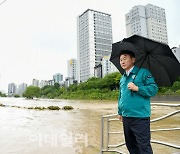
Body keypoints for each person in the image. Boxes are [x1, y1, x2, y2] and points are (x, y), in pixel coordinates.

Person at [118, 50, 158, 154]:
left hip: (140, 117)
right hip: (126, 117)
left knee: (143, 146)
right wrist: (120, 112)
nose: (122, 61)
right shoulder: (123, 77)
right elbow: (121, 95)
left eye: (125, 58)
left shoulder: (143, 72)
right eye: (121, 60)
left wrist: (137, 88)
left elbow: (153, 89)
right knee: (131, 145)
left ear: (133, 59)